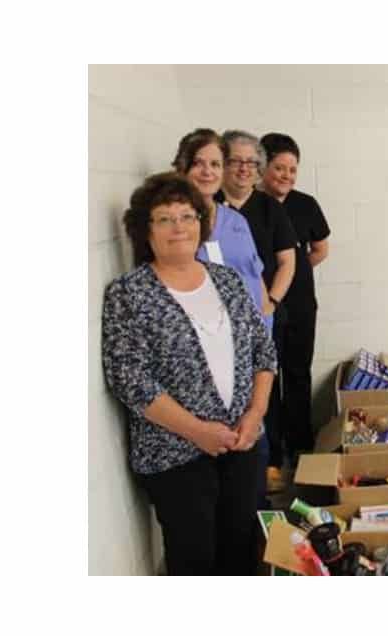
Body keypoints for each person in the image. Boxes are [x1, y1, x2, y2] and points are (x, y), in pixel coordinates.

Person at [101, 172, 277, 575]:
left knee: (242, 549)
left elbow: (263, 351)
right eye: (164, 219)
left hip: (243, 442)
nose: (179, 227)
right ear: (145, 231)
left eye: (187, 216)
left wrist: (255, 414)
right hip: (175, 455)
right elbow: (129, 377)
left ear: (201, 223)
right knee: (194, 559)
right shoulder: (130, 293)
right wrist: (197, 430)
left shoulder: (227, 280)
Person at [216, 130, 298, 495]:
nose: (245, 169)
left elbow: (287, 261)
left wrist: (272, 302)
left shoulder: (269, 208)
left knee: (265, 390)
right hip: (218, 323)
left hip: (263, 318)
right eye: (236, 161)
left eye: (252, 163)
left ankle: (269, 463)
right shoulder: (208, 206)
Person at [258, 133, 330, 468]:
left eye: (292, 169)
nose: (286, 175)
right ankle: (271, 452)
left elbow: (320, 249)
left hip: (300, 302)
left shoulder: (305, 205)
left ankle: (300, 444)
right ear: (262, 167)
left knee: (298, 372)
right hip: (263, 306)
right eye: (278, 168)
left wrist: (297, 272)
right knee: (266, 377)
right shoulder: (249, 207)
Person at [172, 129, 266, 318]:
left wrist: (266, 311)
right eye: (198, 163)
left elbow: (254, 274)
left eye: (215, 164)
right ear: (182, 168)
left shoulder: (237, 221)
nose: (208, 172)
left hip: (254, 333)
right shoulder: (173, 224)